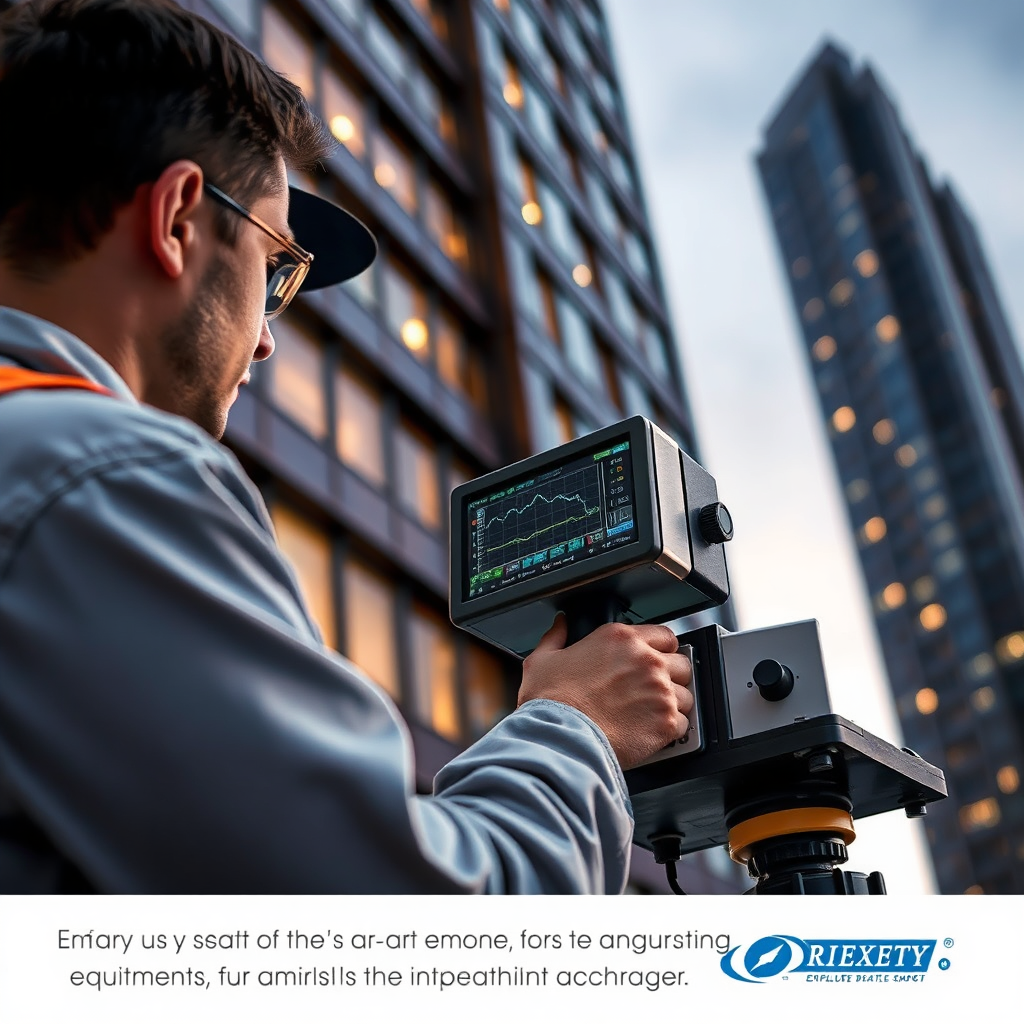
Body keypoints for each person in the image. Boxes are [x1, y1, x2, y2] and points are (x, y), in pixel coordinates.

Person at [0, 0, 692, 894]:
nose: (265, 341)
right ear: (176, 219)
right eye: (274, 268)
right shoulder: (104, 478)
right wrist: (579, 723)